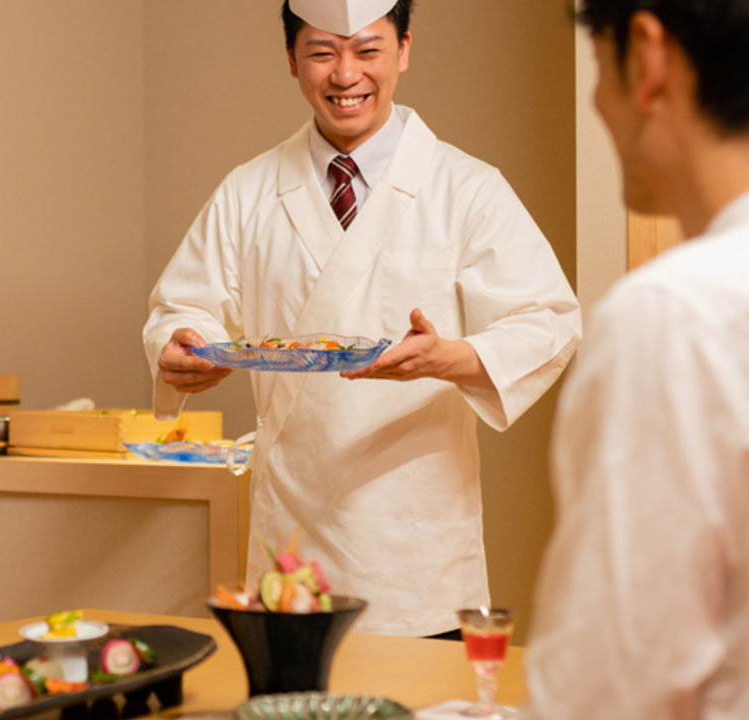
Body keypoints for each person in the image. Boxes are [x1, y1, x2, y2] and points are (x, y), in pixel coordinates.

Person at [143, 0, 582, 637]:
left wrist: (447, 357)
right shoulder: (248, 189)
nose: (345, 75)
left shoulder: (467, 187)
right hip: (290, 539)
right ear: (292, 61)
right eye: (322, 52)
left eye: (368, 50)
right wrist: (182, 350)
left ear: (404, 49)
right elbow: (184, 307)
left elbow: (548, 319)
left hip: (417, 548)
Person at [521, 1, 749, 717]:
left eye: (600, 67)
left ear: (647, 60)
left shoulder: (673, 317)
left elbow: (610, 687)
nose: (597, 101)